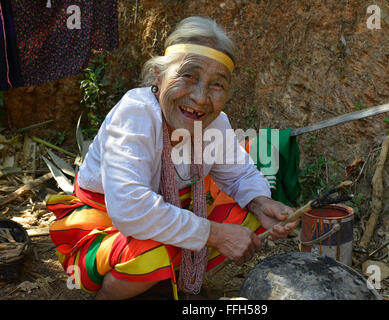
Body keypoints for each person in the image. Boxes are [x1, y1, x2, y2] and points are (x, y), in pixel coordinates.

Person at [46, 16, 299, 300]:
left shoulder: (215, 123)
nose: (201, 98)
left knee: (247, 217)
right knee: (153, 252)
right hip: (107, 225)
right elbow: (130, 210)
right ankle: (109, 295)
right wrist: (215, 234)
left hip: (160, 216)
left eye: (217, 85)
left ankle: (170, 280)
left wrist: (262, 202)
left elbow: (240, 174)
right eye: (188, 77)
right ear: (158, 76)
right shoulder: (135, 114)